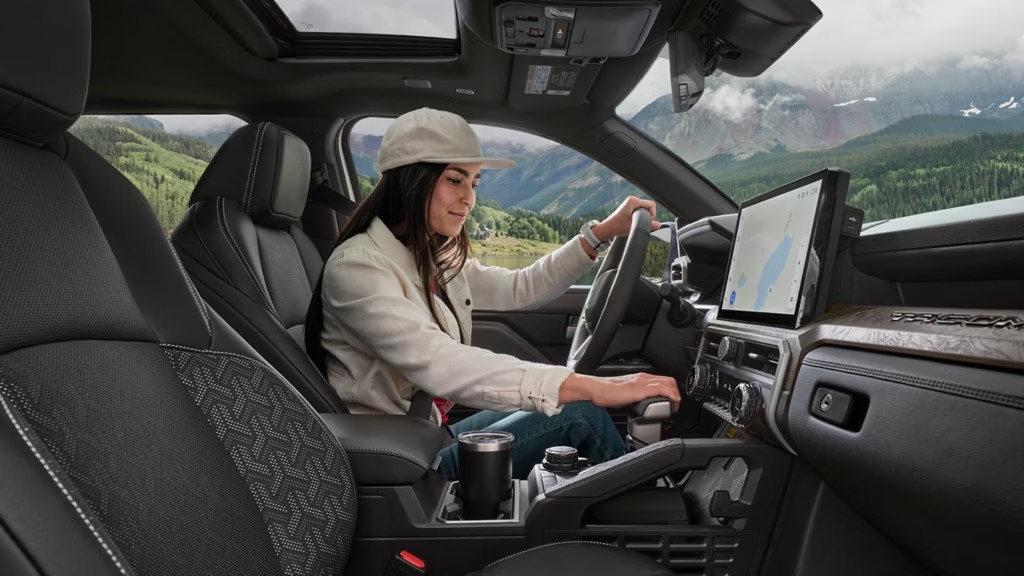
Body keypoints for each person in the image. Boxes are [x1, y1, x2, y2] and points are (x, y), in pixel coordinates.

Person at [305, 107, 680, 480]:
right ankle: (640, 513)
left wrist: (598, 234)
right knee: (581, 411)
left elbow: (522, 286)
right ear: (410, 181)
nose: (469, 198)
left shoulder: (428, 258)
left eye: (474, 183)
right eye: (455, 180)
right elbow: (440, 362)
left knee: (574, 402)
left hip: (427, 435)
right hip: (401, 464)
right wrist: (593, 387)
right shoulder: (359, 268)